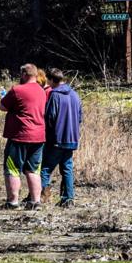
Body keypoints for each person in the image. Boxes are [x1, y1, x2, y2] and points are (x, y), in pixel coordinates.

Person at [0, 63, 47, 210]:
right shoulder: (42, 91)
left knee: (13, 169)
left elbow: (3, 107)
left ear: (24, 74)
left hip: (20, 136)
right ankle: (35, 201)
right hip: (38, 136)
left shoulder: (17, 90)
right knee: (33, 170)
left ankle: (13, 201)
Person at [41, 69, 83, 207]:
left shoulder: (55, 95)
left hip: (57, 139)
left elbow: (50, 117)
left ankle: (39, 196)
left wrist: (48, 135)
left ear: (52, 80)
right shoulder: (75, 95)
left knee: (46, 168)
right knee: (67, 168)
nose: (48, 83)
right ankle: (68, 199)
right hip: (72, 138)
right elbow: (80, 118)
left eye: (48, 80)